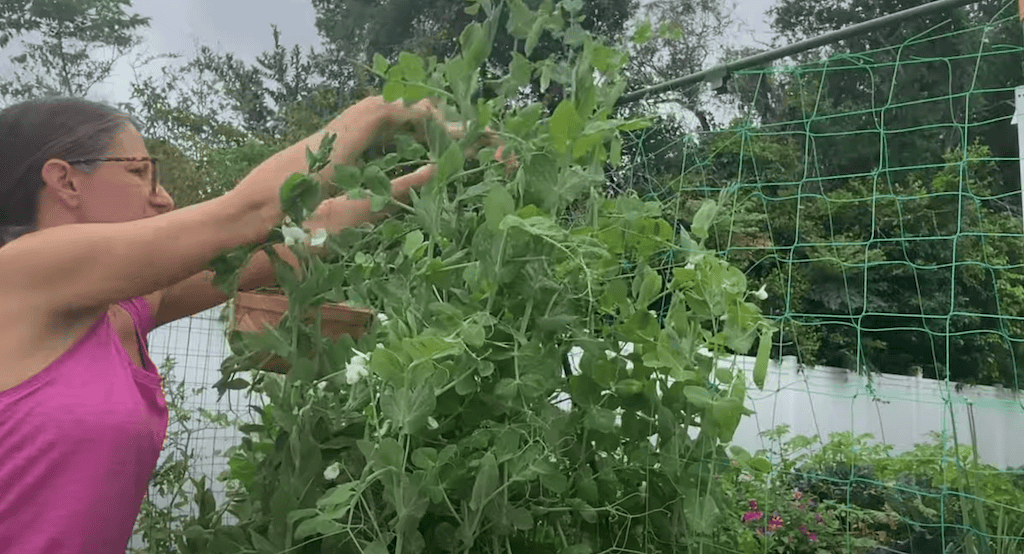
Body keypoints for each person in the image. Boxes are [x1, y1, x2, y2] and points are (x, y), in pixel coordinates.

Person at [0, 94, 502, 553]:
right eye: (139, 173)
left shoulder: (119, 307)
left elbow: (306, 233)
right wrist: (380, 112)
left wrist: (443, 174)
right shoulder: (19, 274)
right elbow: (252, 213)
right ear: (65, 181)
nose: (164, 198)